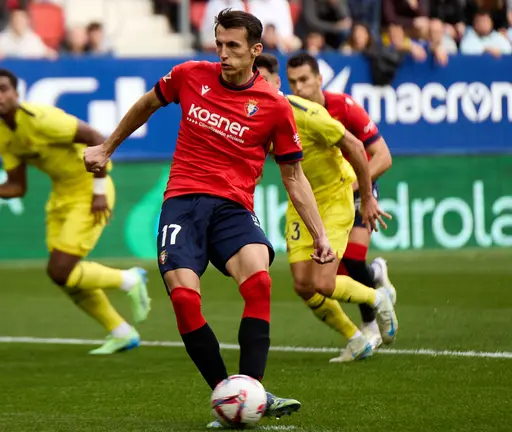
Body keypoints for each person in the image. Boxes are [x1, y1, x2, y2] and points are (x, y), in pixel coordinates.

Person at [84, 8, 331, 427]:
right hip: (182, 201)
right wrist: (106, 148)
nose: (223, 54)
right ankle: (225, 392)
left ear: (255, 51)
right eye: (218, 44)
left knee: (260, 283)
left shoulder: (274, 107)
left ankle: (251, 389)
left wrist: (319, 234)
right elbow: (146, 104)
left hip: (234, 207)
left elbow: (293, 175)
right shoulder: (189, 75)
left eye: (232, 46)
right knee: (183, 298)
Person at [0, 68, 150, 355]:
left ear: (16, 93)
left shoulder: (42, 118)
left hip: (91, 190)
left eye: (3, 89)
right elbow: (18, 187)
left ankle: (129, 279)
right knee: (62, 275)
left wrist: (98, 191)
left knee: (61, 269)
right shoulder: (3, 136)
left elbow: (95, 136)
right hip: (61, 196)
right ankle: (121, 332)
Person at [254, 53, 398, 363]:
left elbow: (369, 151)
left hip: (341, 193)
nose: (300, 86)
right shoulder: (255, 116)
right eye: (296, 81)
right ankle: (356, 338)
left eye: (304, 79)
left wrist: (368, 196)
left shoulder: (316, 111)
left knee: (333, 275)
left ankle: (376, 305)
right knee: (304, 285)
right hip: (304, 202)